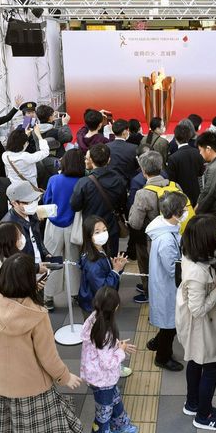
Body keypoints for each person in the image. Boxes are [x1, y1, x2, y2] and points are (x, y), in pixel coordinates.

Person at [0, 253, 83, 433]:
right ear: (28, 281)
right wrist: (65, 377)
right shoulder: (37, 314)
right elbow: (48, 357)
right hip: (33, 388)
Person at [176, 215, 216, 431]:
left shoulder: (192, 251)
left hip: (195, 321)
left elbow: (209, 259)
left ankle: (193, 403)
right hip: (199, 324)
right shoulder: (197, 274)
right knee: (211, 367)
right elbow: (197, 310)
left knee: (195, 361)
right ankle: (203, 415)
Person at [129, 150, 185, 304]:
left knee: (151, 269)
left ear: (143, 171)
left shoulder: (143, 194)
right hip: (175, 235)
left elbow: (135, 223)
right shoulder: (175, 186)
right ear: (161, 167)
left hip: (151, 241)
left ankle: (149, 294)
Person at [81, 287, 138, 433]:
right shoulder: (106, 333)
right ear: (116, 307)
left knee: (115, 400)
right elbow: (107, 363)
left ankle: (120, 426)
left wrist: (117, 344)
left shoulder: (94, 318)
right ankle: (101, 431)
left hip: (97, 376)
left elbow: (100, 348)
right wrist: (121, 350)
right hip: (102, 380)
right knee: (103, 413)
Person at [145, 191, 187, 371]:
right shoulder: (166, 240)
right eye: (183, 210)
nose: (186, 212)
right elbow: (174, 270)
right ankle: (162, 356)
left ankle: (158, 341)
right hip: (167, 288)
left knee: (167, 321)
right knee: (171, 325)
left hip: (162, 285)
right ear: (176, 213)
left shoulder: (162, 228)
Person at [42, 149, 85, 311]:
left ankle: (48, 297)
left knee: (53, 260)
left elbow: (47, 201)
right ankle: (75, 293)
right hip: (74, 226)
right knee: (74, 260)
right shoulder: (82, 180)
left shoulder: (54, 179)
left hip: (53, 225)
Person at [70, 143, 126, 257]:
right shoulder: (119, 180)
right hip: (111, 227)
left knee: (91, 261)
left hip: (91, 229)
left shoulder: (84, 182)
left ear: (90, 159)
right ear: (109, 160)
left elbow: (75, 205)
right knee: (111, 260)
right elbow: (123, 203)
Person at [77, 215, 128, 316]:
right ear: (88, 235)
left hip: (96, 304)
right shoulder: (93, 262)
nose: (102, 234)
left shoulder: (98, 249)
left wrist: (116, 267)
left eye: (104, 230)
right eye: (97, 232)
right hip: (96, 307)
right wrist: (115, 271)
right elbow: (102, 289)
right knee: (99, 331)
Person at [1, 181, 51, 268]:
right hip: (24, 272)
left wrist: (45, 253)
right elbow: (14, 260)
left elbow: (36, 239)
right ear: (14, 203)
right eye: (27, 202)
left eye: (35, 200)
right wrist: (36, 268)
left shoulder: (32, 214)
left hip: (37, 266)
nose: (33, 204)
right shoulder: (8, 226)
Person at [166, 122, 205, 206]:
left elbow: (171, 181)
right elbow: (201, 173)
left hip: (180, 196)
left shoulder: (173, 158)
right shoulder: (198, 153)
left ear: (175, 138)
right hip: (196, 194)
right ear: (189, 137)